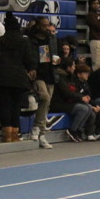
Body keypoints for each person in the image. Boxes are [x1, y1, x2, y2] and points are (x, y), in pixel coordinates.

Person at [0, 12, 35, 143]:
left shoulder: (0, 40)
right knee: (16, 107)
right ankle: (15, 134)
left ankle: (7, 134)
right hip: (19, 78)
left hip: (2, 78)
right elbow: (30, 61)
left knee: (5, 106)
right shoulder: (24, 41)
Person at [25, 16, 57, 148]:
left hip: (50, 73)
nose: (47, 28)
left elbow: (55, 53)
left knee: (47, 104)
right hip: (38, 74)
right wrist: (31, 68)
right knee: (44, 97)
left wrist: (57, 60)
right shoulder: (31, 39)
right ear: (38, 26)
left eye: (48, 25)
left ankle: (41, 134)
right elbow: (28, 56)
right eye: (44, 25)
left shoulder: (51, 38)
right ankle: (36, 127)